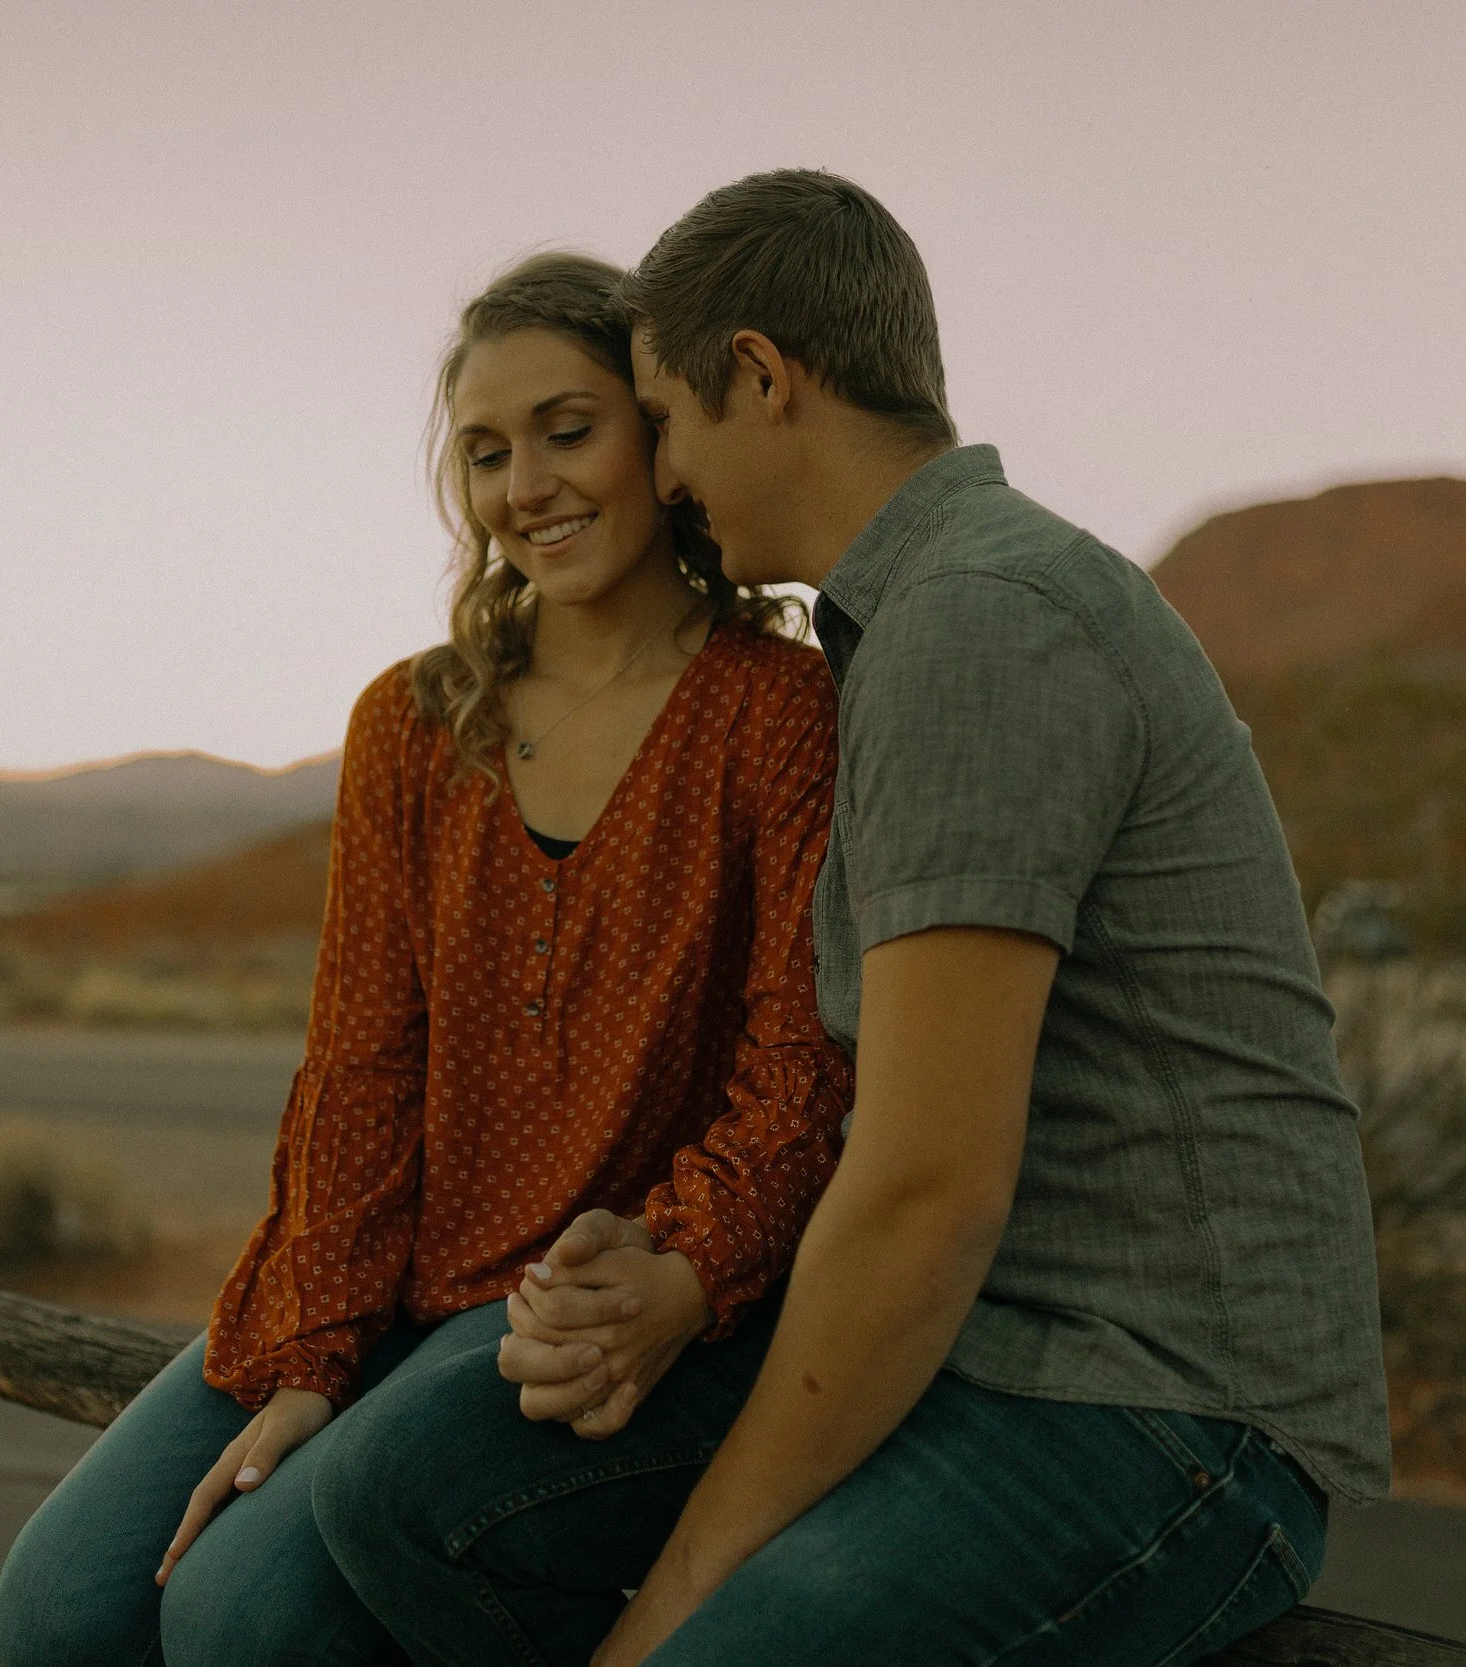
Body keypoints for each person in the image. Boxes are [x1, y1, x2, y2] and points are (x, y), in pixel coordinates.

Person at [312, 172, 1390, 1667]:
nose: (667, 477)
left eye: (667, 420)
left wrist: (674, 1604)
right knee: (420, 1487)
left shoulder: (977, 623)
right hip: (983, 1341)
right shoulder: (907, 620)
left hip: (1155, 1400)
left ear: (760, 377)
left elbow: (925, 1188)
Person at [0, 251, 851, 1667]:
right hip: (389, 1271)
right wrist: (314, 1354)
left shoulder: (777, 710)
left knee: (241, 1620)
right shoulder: (413, 720)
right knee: (60, 1609)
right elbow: (362, 1059)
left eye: (569, 430)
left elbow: (801, 1066)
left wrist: (689, 1256)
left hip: (581, 1296)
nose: (528, 486)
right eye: (487, 451)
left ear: (656, 431)